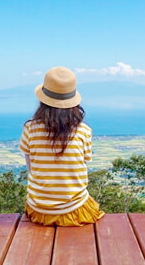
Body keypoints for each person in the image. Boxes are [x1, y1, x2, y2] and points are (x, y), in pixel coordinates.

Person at [19, 66, 105, 226]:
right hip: (75, 210)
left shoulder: (30, 129)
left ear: (43, 100)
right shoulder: (84, 131)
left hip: (39, 210)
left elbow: (32, 169)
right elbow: (82, 164)